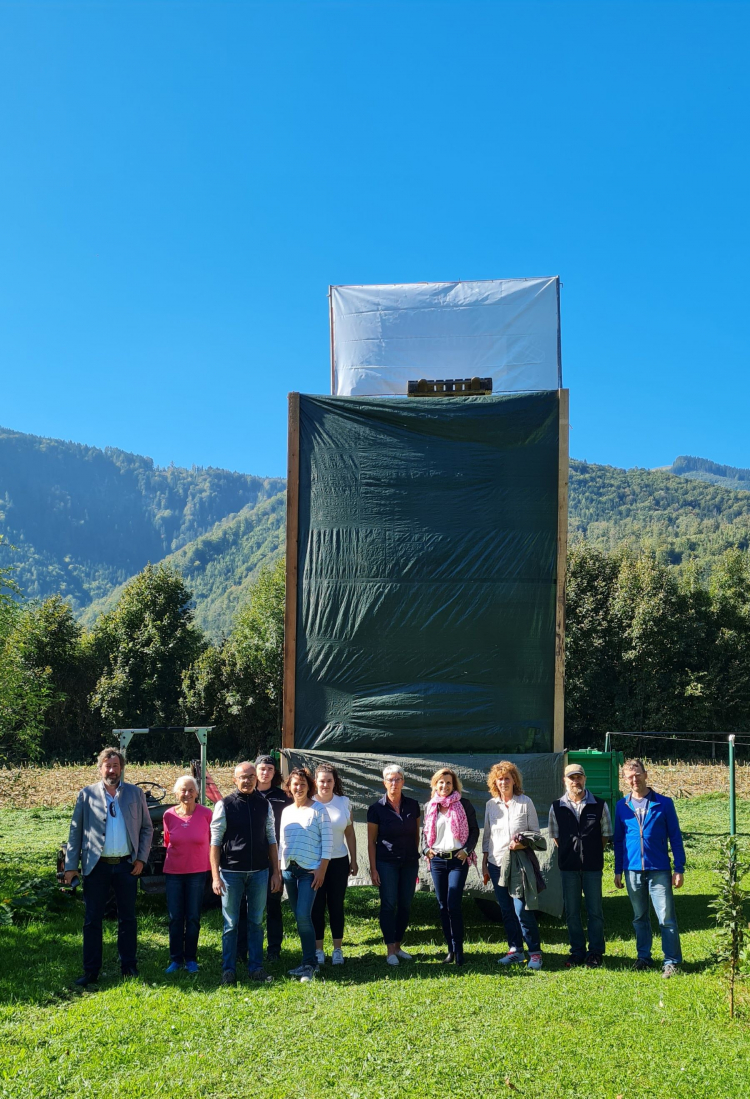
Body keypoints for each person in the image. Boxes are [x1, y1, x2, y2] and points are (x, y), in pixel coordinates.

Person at [63, 747, 154, 987]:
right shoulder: (87, 795)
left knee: (128, 919)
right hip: (96, 867)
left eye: (115, 766)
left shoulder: (135, 794)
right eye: (107, 765)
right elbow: (75, 833)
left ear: (121, 768)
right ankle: (91, 970)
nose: (111, 770)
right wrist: (71, 866)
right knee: (92, 919)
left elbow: (147, 828)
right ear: (100, 767)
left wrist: (141, 859)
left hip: (126, 866)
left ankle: (129, 966)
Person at [210, 761, 282, 985]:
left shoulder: (264, 804)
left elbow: (271, 838)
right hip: (231, 872)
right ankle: (228, 970)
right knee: (231, 923)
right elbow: (214, 842)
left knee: (256, 922)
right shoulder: (225, 805)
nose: (248, 780)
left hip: (260, 872)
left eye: (252, 776)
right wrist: (215, 876)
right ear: (235, 780)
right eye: (243, 776)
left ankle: (256, 968)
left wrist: (276, 872)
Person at [614, 758, 686, 978]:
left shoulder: (664, 803)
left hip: (659, 869)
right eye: (630, 776)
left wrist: (679, 867)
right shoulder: (622, 806)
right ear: (625, 780)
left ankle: (672, 961)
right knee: (639, 917)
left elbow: (675, 836)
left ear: (646, 775)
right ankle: (644, 957)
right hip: (632, 869)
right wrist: (618, 869)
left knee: (666, 917)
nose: (634, 780)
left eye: (638, 774)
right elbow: (618, 840)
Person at [482, 761, 546, 971]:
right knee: (506, 911)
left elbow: (536, 835)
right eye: (499, 779)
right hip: (496, 864)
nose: (503, 782)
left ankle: (535, 953)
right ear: (495, 782)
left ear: (514, 780)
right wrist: (484, 863)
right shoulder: (491, 805)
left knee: (522, 910)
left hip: (519, 865)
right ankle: (515, 950)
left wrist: (521, 843)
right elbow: (487, 836)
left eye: (507, 778)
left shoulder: (525, 802)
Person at [549, 763, 612, 968]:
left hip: (593, 867)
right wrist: (572, 851)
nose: (575, 781)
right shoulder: (556, 806)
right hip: (569, 867)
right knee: (572, 912)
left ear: (585, 779)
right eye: (571, 778)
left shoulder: (600, 805)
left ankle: (595, 952)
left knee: (595, 911)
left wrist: (590, 852)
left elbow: (605, 835)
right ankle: (577, 951)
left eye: (579, 777)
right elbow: (556, 837)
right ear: (564, 781)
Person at [279, 767, 333, 981]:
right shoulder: (286, 811)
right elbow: (282, 842)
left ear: (309, 787)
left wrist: (321, 870)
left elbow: (328, 843)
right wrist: (280, 868)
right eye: (295, 784)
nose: (299, 788)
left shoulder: (319, 810)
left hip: (310, 872)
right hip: (289, 871)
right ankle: (306, 961)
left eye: (302, 784)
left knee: (303, 915)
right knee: (299, 918)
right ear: (289, 787)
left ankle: (310, 964)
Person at [422, 767, 479, 966]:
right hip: (437, 860)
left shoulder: (464, 804)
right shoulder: (430, 806)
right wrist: (425, 849)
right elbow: (425, 832)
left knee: (453, 904)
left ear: (454, 785)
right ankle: (450, 950)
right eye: (441, 782)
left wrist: (467, 849)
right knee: (442, 906)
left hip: (458, 860)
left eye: (448, 783)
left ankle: (459, 949)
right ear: (435, 785)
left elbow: (474, 831)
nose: (444, 786)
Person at [367, 764, 421, 966]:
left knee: (405, 904)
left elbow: (416, 835)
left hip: (409, 863)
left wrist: (413, 858)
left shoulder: (413, 805)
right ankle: (390, 950)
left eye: (398, 779)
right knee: (389, 904)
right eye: (390, 779)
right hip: (386, 863)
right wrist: (373, 869)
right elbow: (371, 842)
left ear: (403, 782)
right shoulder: (376, 809)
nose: (394, 783)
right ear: (384, 782)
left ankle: (398, 946)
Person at [162, 775, 213, 974]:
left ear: (197, 793)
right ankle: (175, 959)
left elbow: (212, 842)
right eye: (183, 790)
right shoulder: (168, 815)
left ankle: (190, 958)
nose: (187, 794)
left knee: (192, 917)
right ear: (176, 793)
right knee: (175, 917)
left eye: (191, 790)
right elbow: (168, 842)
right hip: (173, 872)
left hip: (197, 873)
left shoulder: (206, 814)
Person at [312, 762, 358, 965]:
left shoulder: (344, 802)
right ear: (316, 782)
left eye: (329, 781)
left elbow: (349, 832)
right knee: (317, 906)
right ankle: (318, 950)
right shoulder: (309, 802)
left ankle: (337, 949)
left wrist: (354, 859)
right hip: (315, 863)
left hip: (339, 861)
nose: (325, 784)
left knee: (336, 905)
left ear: (334, 782)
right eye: (322, 781)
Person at [255, 754, 293, 962]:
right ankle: (250, 948)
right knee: (251, 906)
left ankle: (274, 950)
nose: (265, 772)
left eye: (270, 769)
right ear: (255, 771)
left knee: (273, 904)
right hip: (250, 857)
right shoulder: (247, 794)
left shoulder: (283, 797)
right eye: (262, 769)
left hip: (275, 857)